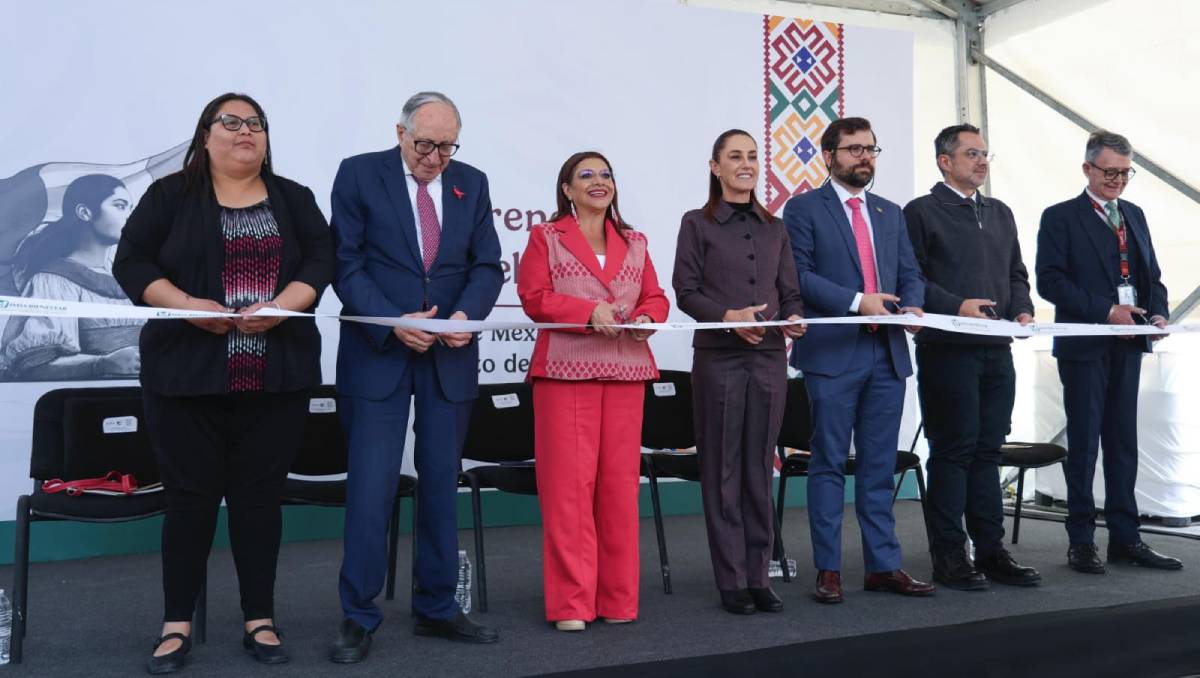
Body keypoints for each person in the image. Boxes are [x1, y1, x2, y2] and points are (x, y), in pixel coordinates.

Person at [113, 92, 334, 673]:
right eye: (230, 122)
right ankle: (176, 625)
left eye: (255, 123)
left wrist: (284, 307)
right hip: (184, 380)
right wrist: (185, 305)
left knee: (259, 501)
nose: (245, 131)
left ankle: (260, 619)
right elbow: (131, 263)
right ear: (205, 135)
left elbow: (321, 260)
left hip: (276, 379)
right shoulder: (169, 196)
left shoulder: (294, 197)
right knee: (189, 501)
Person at [329, 91, 503, 662]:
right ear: (400, 132)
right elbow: (345, 264)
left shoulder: (472, 183)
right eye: (425, 144)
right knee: (371, 486)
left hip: (449, 355)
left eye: (447, 147)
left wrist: (465, 316)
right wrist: (391, 321)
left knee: (441, 483)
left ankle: (437, 606)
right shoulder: (359, 174)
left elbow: (486, 264)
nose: (434, 158)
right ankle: (358, 615)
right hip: (377, 353)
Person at [783, 116, 934, 604]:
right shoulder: (803, 208)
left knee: (879, 467)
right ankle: (828, 569)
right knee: (828, 462)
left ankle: (883, 566)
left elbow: (910, 273)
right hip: (833, 354)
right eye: (854, 149)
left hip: (886, 355)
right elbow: (799, 274)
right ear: (829, 156)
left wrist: (913, 307)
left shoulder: (890, 212)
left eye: (870, 148)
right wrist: (857, 302)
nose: (864, 157)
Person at [517, 151, 669, 632]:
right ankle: (571, 604)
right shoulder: (546, 236)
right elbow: (535, 297)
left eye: (605, 174)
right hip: (565, 373)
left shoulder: (635, 241)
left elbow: (655, 296)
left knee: (619, 492)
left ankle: (618, 600)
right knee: (568, 492)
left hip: (626, 372)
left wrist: (647, 317)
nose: (598, 181)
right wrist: (587, 312)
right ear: (567, 189)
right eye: (586, 175)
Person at [1035, 130, 1180, 575]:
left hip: (1128, 346)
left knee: (1122, 443)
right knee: (1084, 444)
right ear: (1087, 169)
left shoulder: (1134, 215)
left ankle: (1126, 537)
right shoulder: (1060, 216)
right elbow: (1050, 281)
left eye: (1125, 173)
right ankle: (1081, 540)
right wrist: (1106, 311)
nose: (1117, 180)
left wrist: (1157, 314)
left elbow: (1152, 276)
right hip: (1084, 347)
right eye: (1110, 172)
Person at [672, 129, 805, 615]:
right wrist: (729, 318)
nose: (746, 164)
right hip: (719, 357)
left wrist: (794, 318)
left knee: (758, 466)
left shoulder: (775, 226)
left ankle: (758, 576)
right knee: (722, 468)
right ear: (716, 167)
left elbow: (790, 291)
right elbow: (685, 290)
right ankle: (731, 580)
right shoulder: (697, 223)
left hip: (769, 356)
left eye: (752, 156)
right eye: (735, 156)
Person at [903, 124, 1041, 590]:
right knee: (953, 451)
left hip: (996, 351)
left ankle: (991, 550)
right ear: (945, 161)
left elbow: (1016, 272)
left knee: (988, 451)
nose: (982, 161)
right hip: (947, 350)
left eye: (985, 153)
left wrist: (1022, 309)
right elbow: (910, 279)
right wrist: (956, 306)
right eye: (971, 154)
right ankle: (948, 556)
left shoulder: (1000, 212)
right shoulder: (921, 212)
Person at [1, 174, 142, 380]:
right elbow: (34, 364)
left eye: (131, 208)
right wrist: (102, 363)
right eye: (120, 206)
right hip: (90, 397)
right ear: (85, 212)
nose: (131, 216)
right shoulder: (53, 282)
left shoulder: (132, 278)